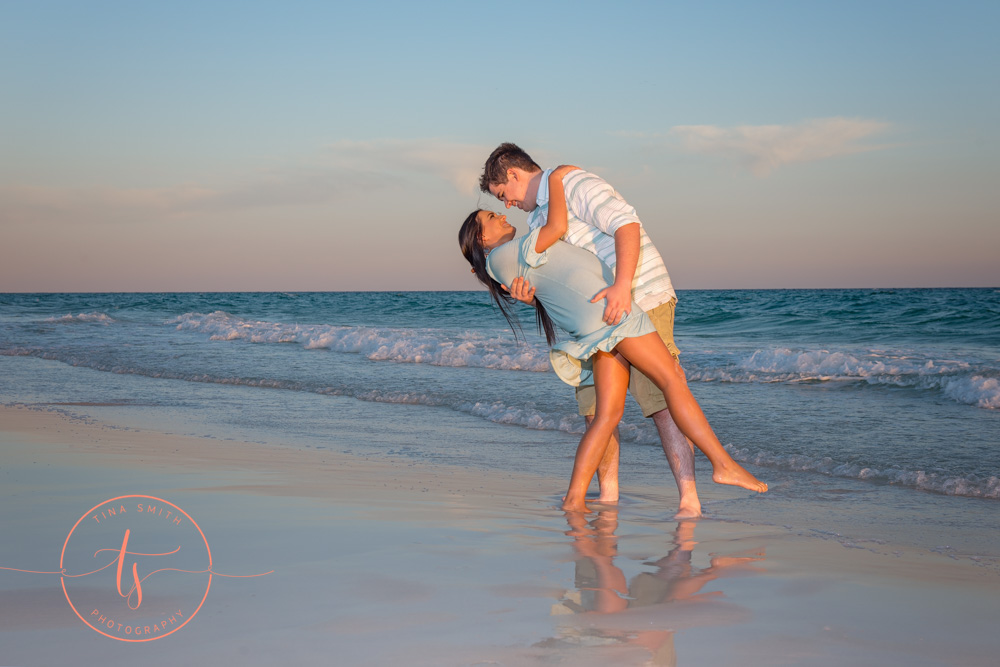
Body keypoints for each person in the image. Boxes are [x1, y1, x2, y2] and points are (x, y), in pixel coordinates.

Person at [459, 168, 767, 513]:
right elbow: (559, 229)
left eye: (500, 200)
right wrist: (558, 178)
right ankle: (723, 464)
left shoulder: (514, 251)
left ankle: (575, 498)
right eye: (492, 213)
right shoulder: (503, 256)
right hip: (614, 316)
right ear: (481, 239)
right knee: (670, 380)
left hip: (595, 326)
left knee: (607, 414)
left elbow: (552, 277)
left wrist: (530, 296)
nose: (503, 211)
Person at [480, 143, 701, 517]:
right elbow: (559, 283)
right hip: (591, 324)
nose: (507, 205)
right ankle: (609, 498)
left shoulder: (573, 182)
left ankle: (689, 501)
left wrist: (622, 286)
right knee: (595, 409)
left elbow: (626, 224)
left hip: (638, 296)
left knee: (659, 400)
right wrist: (527, 296)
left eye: (503, 194)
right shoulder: (537, 222)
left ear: (514, 175)